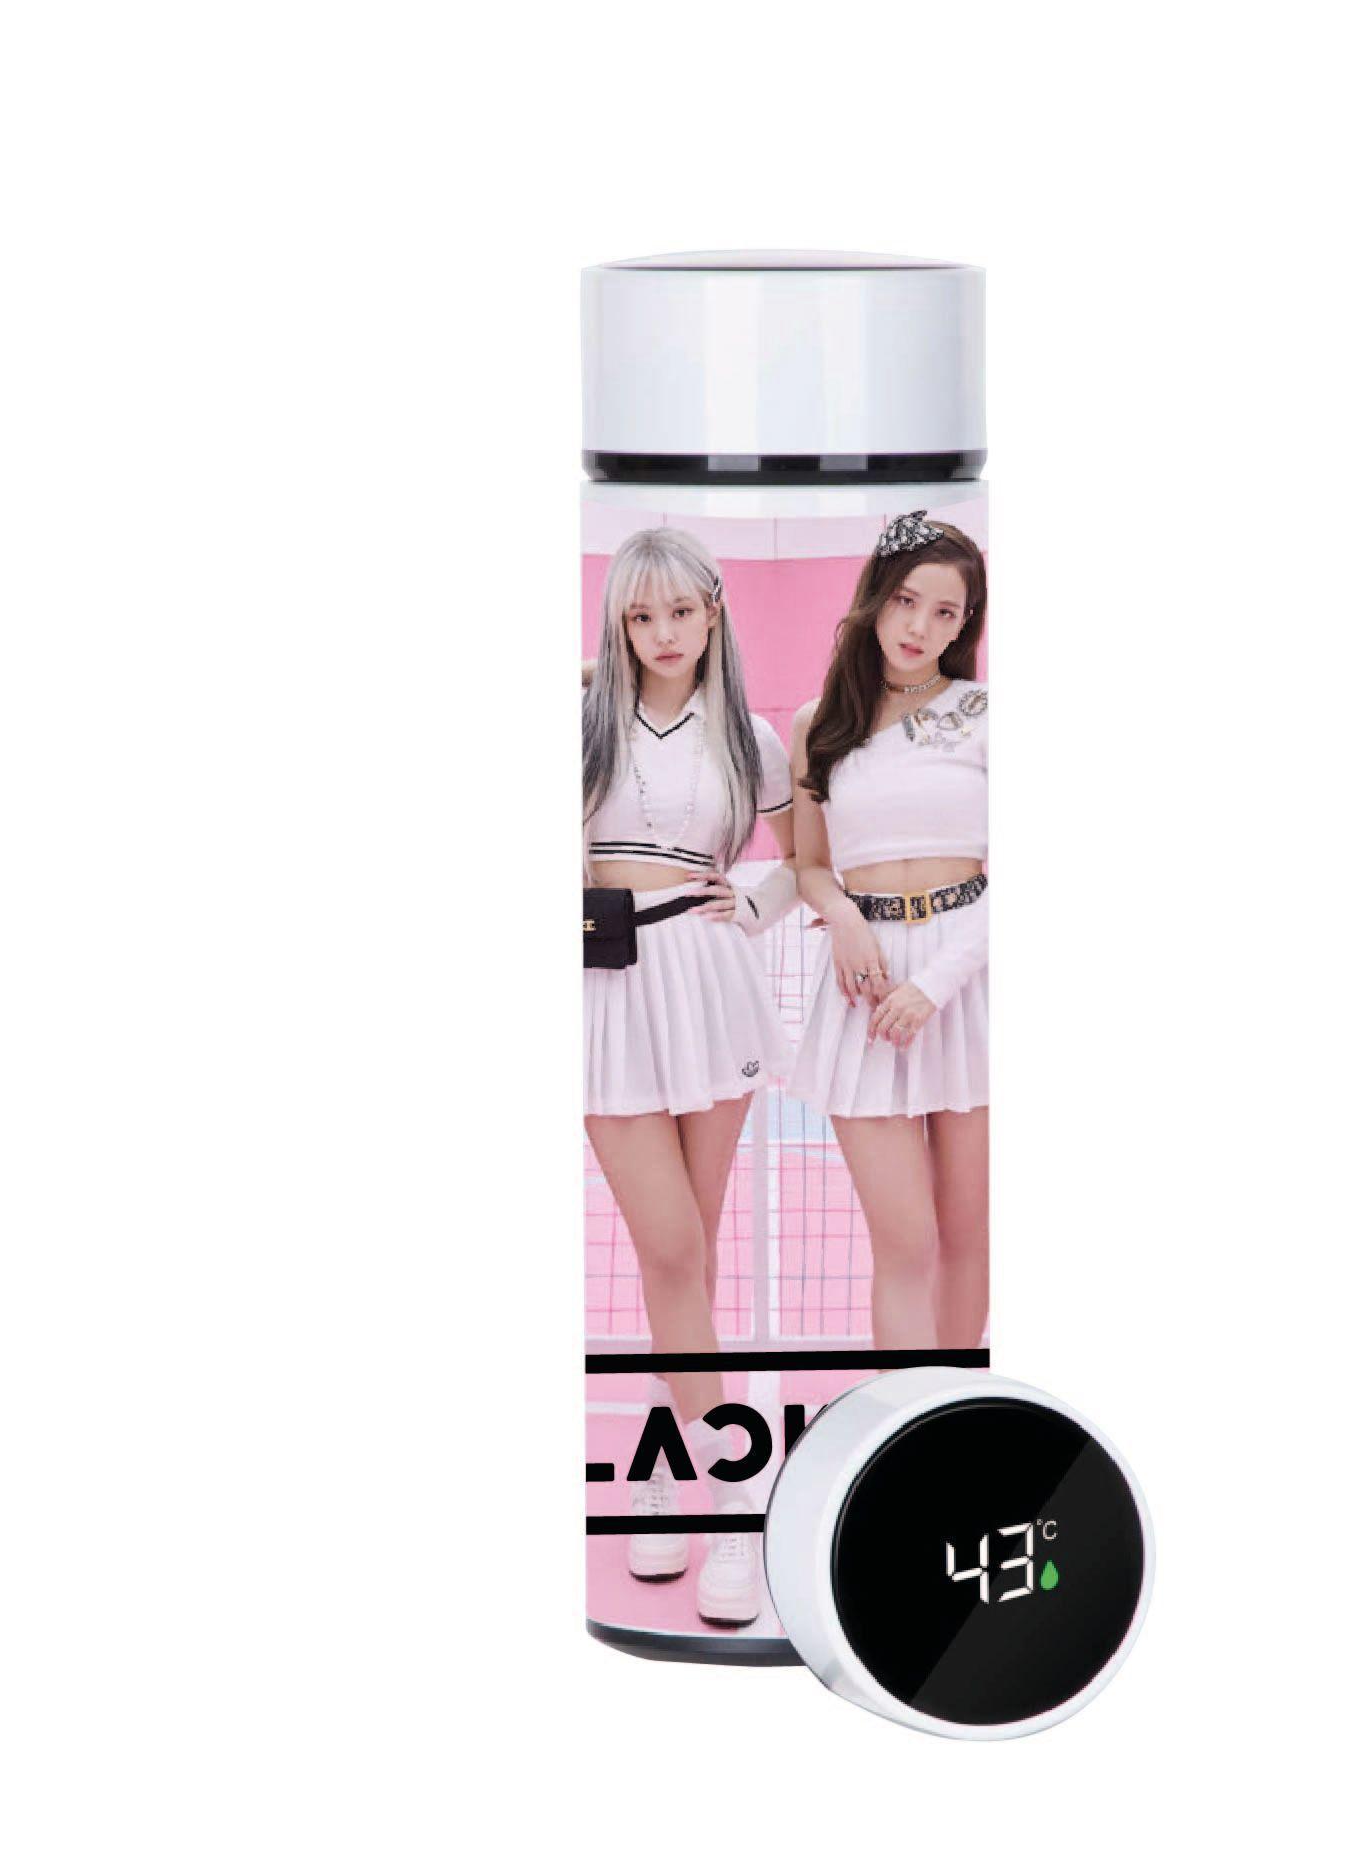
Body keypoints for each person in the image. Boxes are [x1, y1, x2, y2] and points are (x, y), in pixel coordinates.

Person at [582, 527, 797, 1623]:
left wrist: (753, 902)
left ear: (714, 612)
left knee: (689, 1260)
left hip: (709, 984)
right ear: (619, 624)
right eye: (640, 615)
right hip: (607, 987)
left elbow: (806, 857)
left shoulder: (748, 734)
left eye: (680, 611)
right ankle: (734, 1491)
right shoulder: (582, 720)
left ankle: (673, 1479)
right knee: (669, 1249)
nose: (663, 634)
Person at [788, 511, 989, 1352]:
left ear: (965, 624)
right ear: (876, 596)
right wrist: (840, 915)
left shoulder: (985, 714)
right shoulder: (819, 722)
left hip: (968, 977)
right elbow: (808, 863)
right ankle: (909, 1418)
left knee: (970, 1237)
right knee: (904, 1243)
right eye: (907, 601)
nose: (920, 627)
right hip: (864, 987)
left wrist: (934, 984)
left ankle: (959, 1411)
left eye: (946, 613)